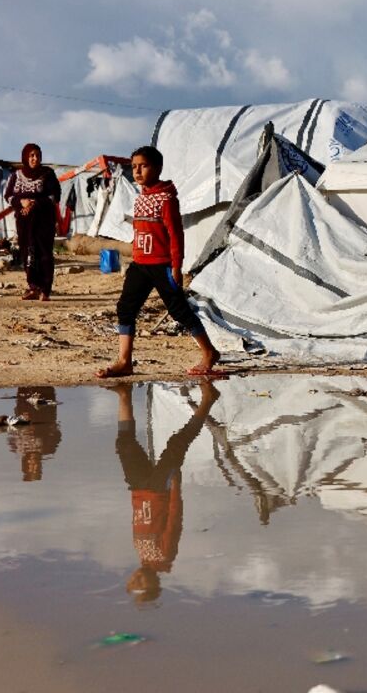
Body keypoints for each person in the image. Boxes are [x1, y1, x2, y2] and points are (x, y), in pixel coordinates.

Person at [96, 146, 220, 379]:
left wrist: (176, 266)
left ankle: (209, 352)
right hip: (140, 263)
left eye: (143, 166)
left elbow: (175, 235)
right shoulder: (141, 197)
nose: (138, 171)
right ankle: (125, 361)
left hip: (162, 264)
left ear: (158, 168)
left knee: (179, 310)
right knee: (126, 308)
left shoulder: (167, 199)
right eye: (134, 167)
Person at [111, 379, 218, 604]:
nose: (136, 579)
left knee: (124, 445)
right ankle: (208, 401)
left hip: (138, 489)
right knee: (177, 443)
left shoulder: (142, 557)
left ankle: (123, 394)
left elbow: (139, 521)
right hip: (161, 489)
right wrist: (176, 488)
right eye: (141, 584)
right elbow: (174, 521)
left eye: (133, 583)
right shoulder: (165, 557)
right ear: (154, 584)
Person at [4, 143, 60, 301]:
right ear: (25, 157)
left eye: (38, 155)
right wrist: (21, 202)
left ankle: (45, 290)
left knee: (44, 254)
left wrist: (34, 203)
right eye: (32, 155)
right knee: (27, 253)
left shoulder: (47, 174)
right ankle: (33, 287)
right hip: (24, 222)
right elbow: (8, 196)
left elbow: (55, 196)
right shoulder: (16, 175)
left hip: (44, 222)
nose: (35, 158)